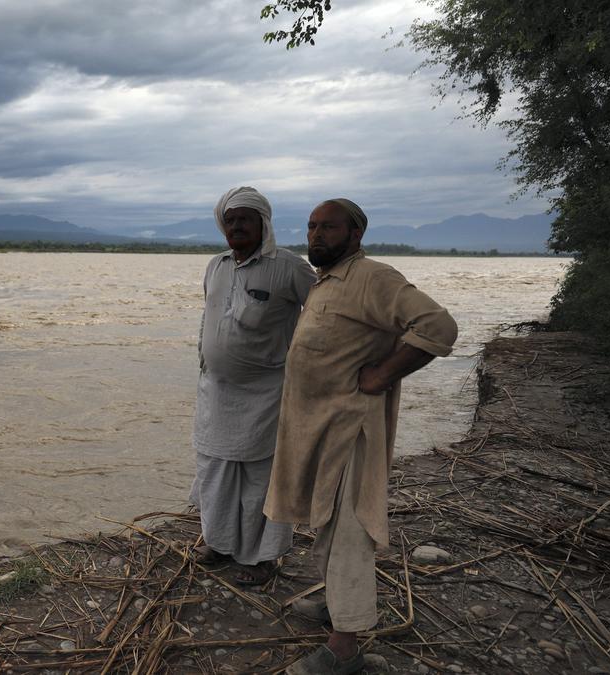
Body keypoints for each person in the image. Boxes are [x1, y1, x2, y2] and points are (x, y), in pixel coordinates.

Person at [265, 199, 457, 675]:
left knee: (351, 529)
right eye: (311, 227)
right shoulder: (326, 282)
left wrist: (383, 375)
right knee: (329, 522)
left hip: (352, 430)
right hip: (319, 429)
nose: (315, 235)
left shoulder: (373, 277)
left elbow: (438, 326)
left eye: (328, 227)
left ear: (356, 234)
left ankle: (344, 649)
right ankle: (337, 608)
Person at [189, 187, 315, 586]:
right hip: (215, 393)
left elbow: (325, 314)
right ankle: (218, 542)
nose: (237, 226)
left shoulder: (289, 267)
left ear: (264, 223)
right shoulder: (216, 265)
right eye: (230, 219)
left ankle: (263, 558)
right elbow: (209, 316)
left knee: (261, 478)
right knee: (214, 471)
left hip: (266, 394)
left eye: (245, 218)